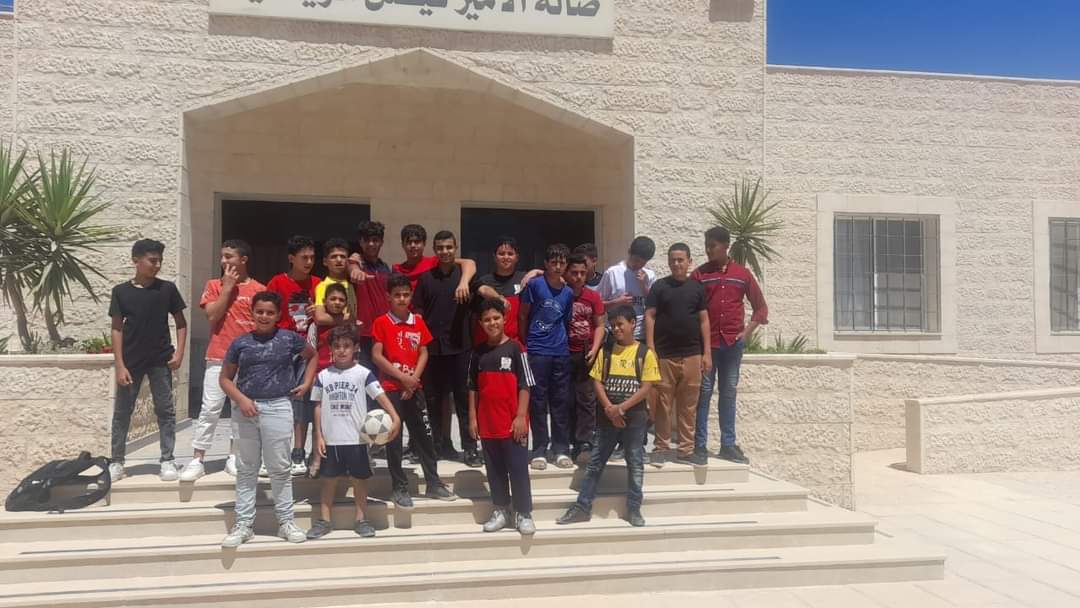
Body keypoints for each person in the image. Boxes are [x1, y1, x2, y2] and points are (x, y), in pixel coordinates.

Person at [219, 291, 317, 547]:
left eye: (270, 312)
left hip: (278, 407)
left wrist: (307, 382)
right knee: (247, 468)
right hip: (246, 409)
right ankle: (243, 524)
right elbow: (225, 379)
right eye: (260, 311)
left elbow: (312, 355)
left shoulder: (289, 339)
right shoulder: (240, 343)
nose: (264, 316)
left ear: (278, 315)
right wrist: (241, 400)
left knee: (280, 468)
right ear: (252, 313)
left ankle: (286, 522)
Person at [556, 305, 658, 528]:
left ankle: (634, 508)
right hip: (606, 418)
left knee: (635, 463)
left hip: (635, 419)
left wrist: (621, 409)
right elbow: (597, 381)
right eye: (613, 325)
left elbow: (646, 387)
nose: (616, 329)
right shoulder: (606, 351)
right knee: (595, 464)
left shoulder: (645, 353)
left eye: (621, 324)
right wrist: (610, 408)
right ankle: (582, 506)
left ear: (633, 324)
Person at [180, 239, 265, 482]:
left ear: (243, 260)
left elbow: (263, 323)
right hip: (219, 356)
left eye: (229, 256)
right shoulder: (214, 285)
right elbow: (212, 316)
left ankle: (233, 456)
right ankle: (198, 459)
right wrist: (227, 287)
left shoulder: (259, 289)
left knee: (241, 411)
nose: (223, 261)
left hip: (248, 360)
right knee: (210, 408)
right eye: (222, 256)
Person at [306, 325, 401, 540]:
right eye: (337, 346)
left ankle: (361, 519)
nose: (341, 350)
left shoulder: (363, 374)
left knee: (359, 480)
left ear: (356, 348)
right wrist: (319, 435)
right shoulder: (323, 376)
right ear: (330, 348)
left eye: (346, 346)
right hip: (331, 439)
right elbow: (318, 406)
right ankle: (324, 520)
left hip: (357, 439)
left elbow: (380, 396)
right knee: (328, 480)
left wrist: (395, 416)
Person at [370, 273, 457, 507]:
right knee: (394, 439)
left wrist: (413, 379)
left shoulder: (418, 322)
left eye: (406, 294)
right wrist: (402, 378)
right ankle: (399, 488)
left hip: (414, 388)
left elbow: (424, 352)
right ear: (388, 297)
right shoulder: (381, 322)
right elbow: (377, 356)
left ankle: (434, 483)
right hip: (391, 389)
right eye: (397, 295)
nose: (402, 299)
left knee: (425, 436)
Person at [108, 239, 187, 482]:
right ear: (136, 260)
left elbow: (181, 322)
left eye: (160, 261)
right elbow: (116, 328)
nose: (157, 265)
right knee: (123, 412)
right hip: (131, 361)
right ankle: (117, 461)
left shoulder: (167, 289)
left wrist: (179, 353)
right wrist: (119, 365)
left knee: (165, 411)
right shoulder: (120, 292)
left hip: (160, 359)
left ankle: (167, 460)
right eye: (153, 260)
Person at [692, 226, 769, 465]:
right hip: (708, 345)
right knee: (704, 393)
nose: (708, 250)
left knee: (728, 393)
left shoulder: (742, 274)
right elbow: (690, 308)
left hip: (732, 345)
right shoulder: (700, 275)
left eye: (713, 246)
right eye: (707, 245)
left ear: (726, 246)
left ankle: (727, 444)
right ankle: (699, 445)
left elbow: (761, 308)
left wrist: (745, 333)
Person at [468, 299, 536, 535]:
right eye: (487, 320)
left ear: (504, 319)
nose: (492, 323)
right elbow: (472, 387)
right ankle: (501, 510)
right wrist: (473, 418)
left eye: (496, 318)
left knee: (517, 470)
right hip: (488, 424)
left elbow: (526, 384)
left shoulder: (517, 349)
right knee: (495, 470)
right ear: (481, 324)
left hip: (513, 424)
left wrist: (521, 416)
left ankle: (523, 512)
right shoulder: (477, 353)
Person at [413, 230, 480, 466]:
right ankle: (437, 446)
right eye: (440, 248)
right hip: (433, 349)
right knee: (433, 400)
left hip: (461, 347)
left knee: (463, 400)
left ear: (455, 248)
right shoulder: (425, 279)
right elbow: (418, 311)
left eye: (449, 247)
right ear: (434, 250)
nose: (445, 251)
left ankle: (470, 449)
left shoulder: (465, 277)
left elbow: (480, 298)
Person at [645, 243, 710, 467]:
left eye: (681, 260)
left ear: (689, 261)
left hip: (692, 354)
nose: (676, 264)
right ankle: (661, 448)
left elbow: (704, 320)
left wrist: (706, 353)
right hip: (664, 355)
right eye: (673, 260)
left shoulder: (697, 288)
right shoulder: (659, 287)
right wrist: (651, 348)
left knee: (688, 405)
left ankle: (686, 450)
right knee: (663, 404)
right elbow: (650, 316)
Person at [266, 235, 322, 476]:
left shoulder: (319, 284)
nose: (309, 262)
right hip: (282, 350)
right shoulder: (277, 282)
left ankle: (298, 452)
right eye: (304, 257)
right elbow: (267, 312)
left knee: (302, 402)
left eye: (312, 257)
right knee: (277, 403)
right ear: (291, 258)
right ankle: (273, 453)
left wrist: (318, 312)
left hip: (308, 351)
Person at [518, 244, 574, 470]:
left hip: (560, 352)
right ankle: (540, 449)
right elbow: (523, 315)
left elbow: (566, 320)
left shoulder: (568, 292)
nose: (558, 266)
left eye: (562, 262)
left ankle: (561, 449)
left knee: (560, 402)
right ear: (546, 264)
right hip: (537, 351)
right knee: (538, 401)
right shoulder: (535, 285)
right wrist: (527, 343)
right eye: (554, 262)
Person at [564, 253, 605, 463]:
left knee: (587, 398)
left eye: (582, 272)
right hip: (564, 352)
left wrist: (595, 348)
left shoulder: (593, 297)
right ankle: (566, 440)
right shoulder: (560, 294)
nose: (579, 277)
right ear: (566, 273)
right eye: (574, 272)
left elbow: (600, 325)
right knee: (566, 399)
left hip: (586, 352)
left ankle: (584, 441)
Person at [346, 221, 391, 370]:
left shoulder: (386, 268)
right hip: (363, 334)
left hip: (385, 333)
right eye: (367, 240)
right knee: (364, 376)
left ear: (381, 242)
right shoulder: (356, 262)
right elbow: (351, 267)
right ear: (361, 242)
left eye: (375, 240)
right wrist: (355, 271)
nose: (371, 244)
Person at [471, 236, 528, 347]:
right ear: (494, 257)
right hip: (487, 346)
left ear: (517, 257)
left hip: (516, 345)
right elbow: (473, 318)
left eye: (510, 254)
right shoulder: (484, 281)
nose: (506, 257)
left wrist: (535, 272)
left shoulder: (524, 279)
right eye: (501, 254)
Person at [599, 236, 657, 341]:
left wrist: (644, 286)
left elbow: (654, 305)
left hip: (641, 335)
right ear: (629, 252)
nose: (638, 264)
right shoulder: (612, 273)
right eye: (636, 260)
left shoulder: (650, 275)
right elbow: (598, 306)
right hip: (616, 334)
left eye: (643, 262)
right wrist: (617, 302)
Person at [392, 223, 476, 295]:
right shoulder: (397, 269)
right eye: (409, 242)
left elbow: (469, 263)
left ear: (424, 243)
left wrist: (464, 282)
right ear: (402, 244)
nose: (413, 245)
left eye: (417, 242)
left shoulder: (434, 261)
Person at [313, 237, 357, 329]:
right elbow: (320, 318)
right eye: (334, 256)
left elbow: (354, 314)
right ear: (325, 261)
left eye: (342, 256)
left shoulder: (353, 284)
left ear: (348, 261)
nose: (339, 260)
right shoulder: (322, 286)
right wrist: (350, 320)